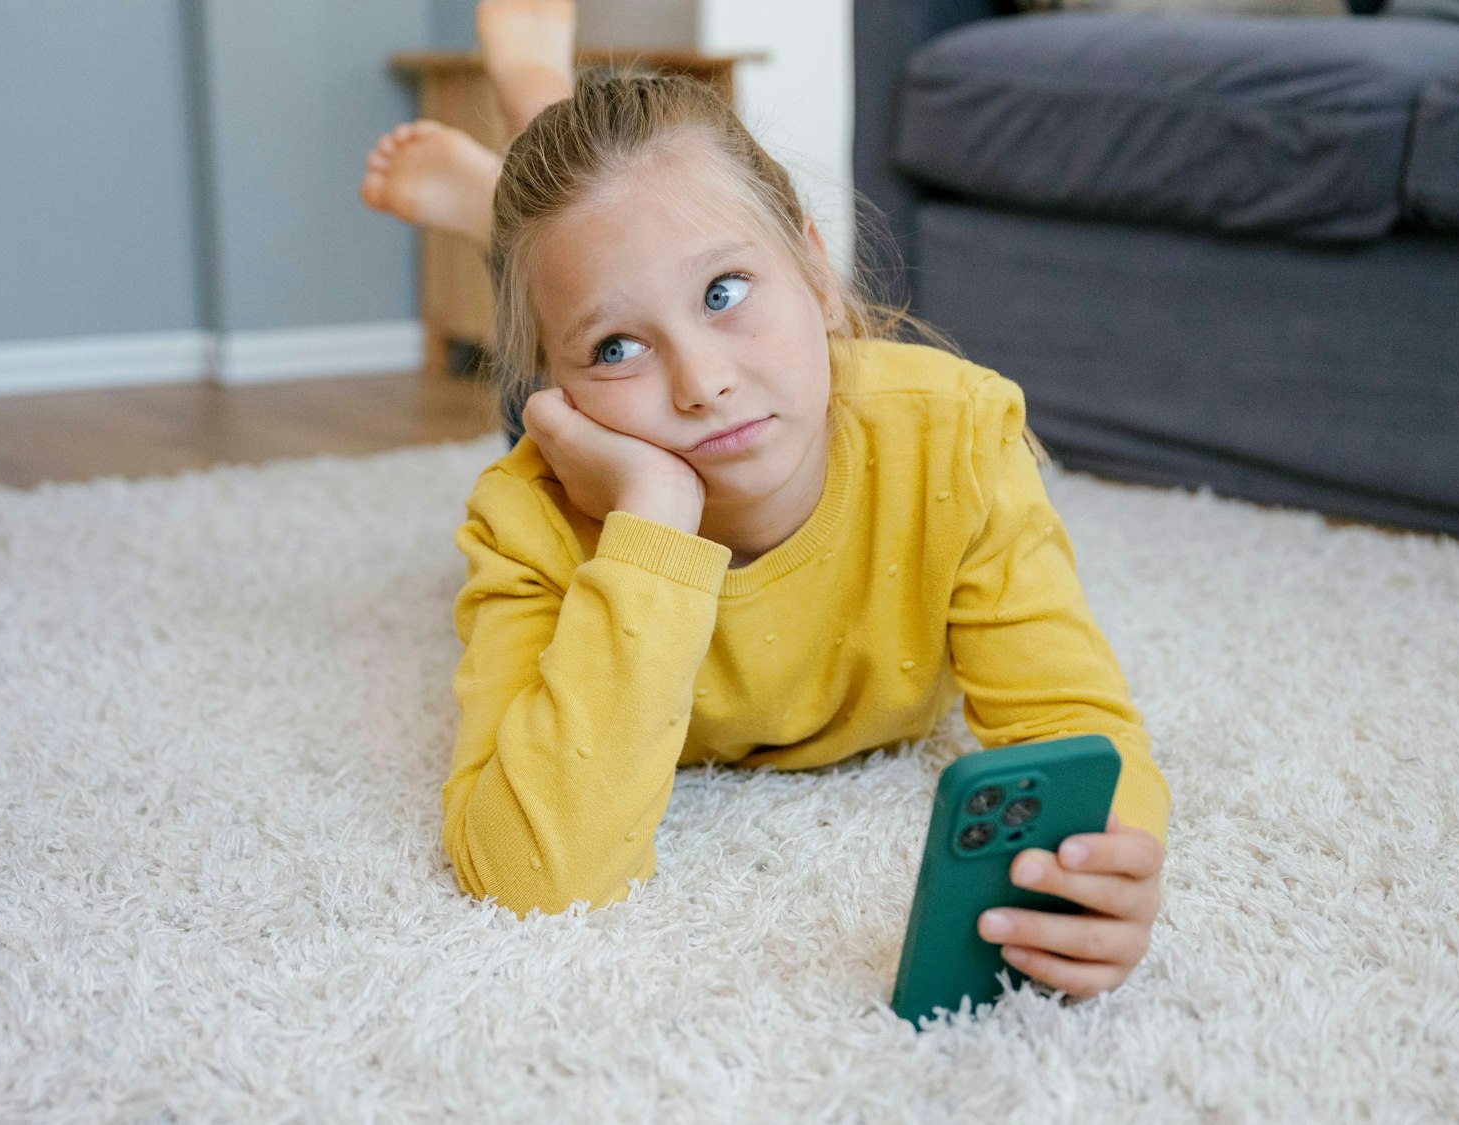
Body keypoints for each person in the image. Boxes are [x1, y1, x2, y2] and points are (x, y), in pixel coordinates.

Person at [360, 0, 1169, 1001]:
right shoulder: (527, 514)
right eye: (616, 347)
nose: (703, 383)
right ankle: (525, 150)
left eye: (723, 292)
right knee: (572, 263)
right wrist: (650, 518)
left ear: (817, 274)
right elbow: (529, 873)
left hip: (732, 343)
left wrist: (1105, 862)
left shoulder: (954, 438)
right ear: (563, 396)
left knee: (598, 238)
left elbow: (1072, 722)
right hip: (586, 448)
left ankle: (528, 153)